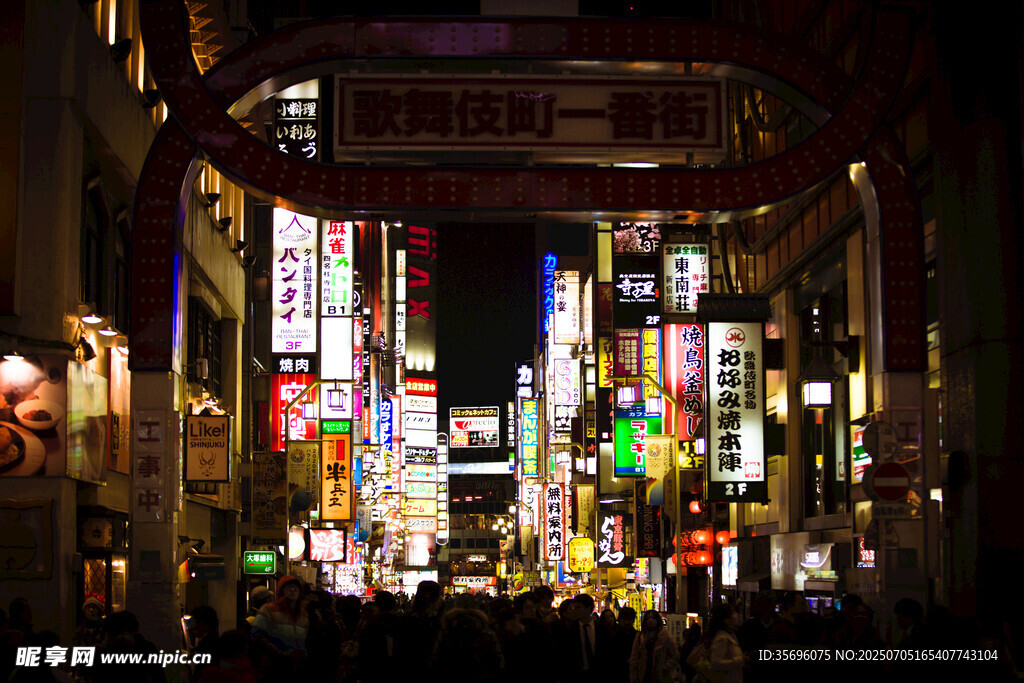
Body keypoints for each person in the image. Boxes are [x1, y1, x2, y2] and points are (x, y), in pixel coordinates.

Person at [250, 575, 309, 675]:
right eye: (289, 587)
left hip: (298, 667)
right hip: (274, 667)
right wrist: (279, 653)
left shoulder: (304, 614)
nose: (293, 589)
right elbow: (257, 636)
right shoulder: (268, 609)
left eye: (296, 587)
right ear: (281, 591)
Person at [630, 610, 683, 683]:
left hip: (660, 676)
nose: (650, 620)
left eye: (653, 618)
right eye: (648, 618)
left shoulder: (665, 636)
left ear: (657, 620)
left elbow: (675, 655)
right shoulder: (640, 636)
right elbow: (634, 657)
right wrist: (634, 675)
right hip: (643, 675)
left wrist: (665, 668)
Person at [699, 604, 744, 683]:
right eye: (733, 613)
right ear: (726, 619)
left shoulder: (731, 636)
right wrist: (739, 661)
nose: (737, 615)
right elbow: (716, 663)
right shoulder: (722, 638)